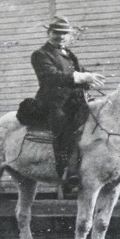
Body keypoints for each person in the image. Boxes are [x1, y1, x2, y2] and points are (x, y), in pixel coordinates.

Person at [32, 15, 106, 186]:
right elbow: (51, 77)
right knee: (65, 125)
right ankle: (66, 169)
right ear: (49, 33)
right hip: (54, 102)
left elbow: (80, 73)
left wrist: (90, 78)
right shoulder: (40, 54)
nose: (61, 36)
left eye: (65, 33)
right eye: (57, 33)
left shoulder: (69, 54)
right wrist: (81, 77)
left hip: (75, 100)